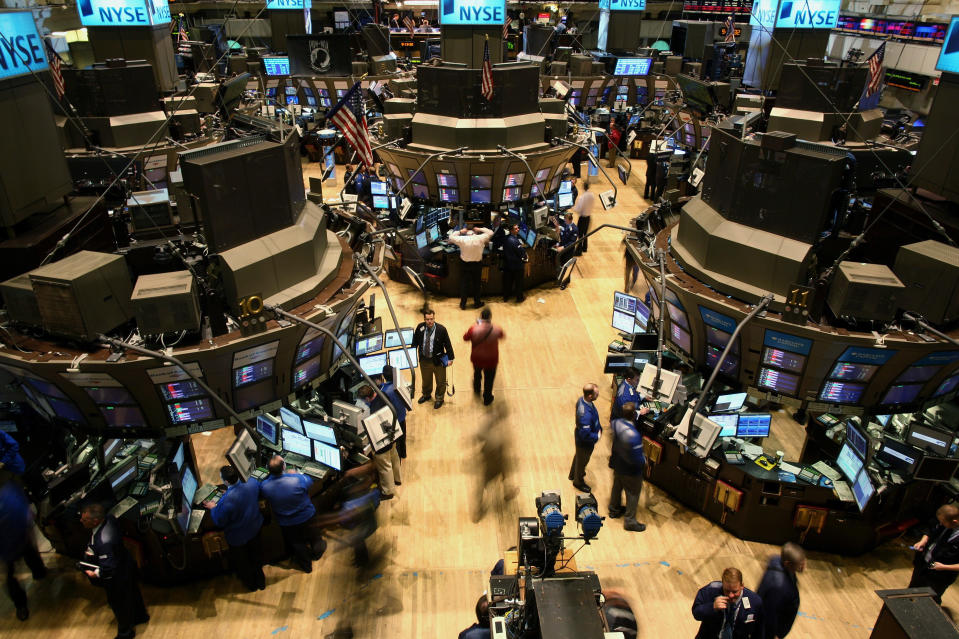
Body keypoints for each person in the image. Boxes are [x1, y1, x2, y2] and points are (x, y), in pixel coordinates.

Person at [80, 503, 148, 639]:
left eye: (84, 519)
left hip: (117, 576)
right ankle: (140, 616)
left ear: (95, 521)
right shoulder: (110, 519)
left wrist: (95, 573)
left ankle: (126, 633)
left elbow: (109, 569)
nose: (81, 521)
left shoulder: (103, 542)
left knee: (119, 604)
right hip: (125, 563)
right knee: (132, 592)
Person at [203, 465, 266, 592]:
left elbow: (219, 521)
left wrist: (213, 508)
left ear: (226, 481)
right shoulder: (252, 483)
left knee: (243, 563)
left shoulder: (225, 502)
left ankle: (251, 585)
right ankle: (261, 582)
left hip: (238, 538)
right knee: (256, 558)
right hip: (255, 528)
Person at [259, 455, 327, 573]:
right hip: (307, 517)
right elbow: (310, 482)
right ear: (284, 466)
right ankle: (317, 553)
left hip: (287, 523)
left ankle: (306, 566)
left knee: (297, 544)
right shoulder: (297, 479)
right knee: (315, 537)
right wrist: (294, 474)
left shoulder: (265, 487)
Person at [1, 477, 46, 621]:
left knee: (31, 555)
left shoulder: (9, 493)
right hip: (5, 548)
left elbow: (26, 514)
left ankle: (40, 573)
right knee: (10, 578)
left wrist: (29, 533)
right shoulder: (9, 492)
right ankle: (20, 605)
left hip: (20, 537)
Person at [609, 402, 650, 532]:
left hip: (618, 463)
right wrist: (645, 462)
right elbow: (637, 458)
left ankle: (614, 510)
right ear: (633, 415)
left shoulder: (615, 423)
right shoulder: (634, 436)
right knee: (633, 493)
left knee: (617, 486)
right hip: (631, 470)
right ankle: (630, 521)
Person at [692, 567, 764, 639]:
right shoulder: (709, 592)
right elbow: (696, 613)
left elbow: (759, 631)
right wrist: (712, 607)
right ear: (722, 584)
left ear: (742, 586)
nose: (730, 595)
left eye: (735, 591)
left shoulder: (754, 601)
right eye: (727, 590)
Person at [908, 503, 959, 604]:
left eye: (943, 523)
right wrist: (923, 540)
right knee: (912, 589)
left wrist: (944, 567)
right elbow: (930, 529)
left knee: (930, 599)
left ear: (955, 522)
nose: (941, 524)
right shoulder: (944, 520)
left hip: (940, 575)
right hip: (923, 564)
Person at [757, 542, 806, 639]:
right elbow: (770, 614)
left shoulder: (777, 560)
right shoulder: (778, 587)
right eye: (799, 564)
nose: (804, 566)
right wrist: (775, 635)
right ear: (787, 563)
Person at [365, 378, 401, 500]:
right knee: (394, 456)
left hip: (382, 440)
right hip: (392, 431)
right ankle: (397, 479)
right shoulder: (383, 394)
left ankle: (388, 491)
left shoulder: (373, 410)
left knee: (385, 466)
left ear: (366, 399)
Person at [411, 309, 454, 409]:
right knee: (426, 380)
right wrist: (411, 354)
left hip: (438, 361)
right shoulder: (420, 327)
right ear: (424, 319)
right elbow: (415, 342)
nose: (430, 321)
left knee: (441, 381)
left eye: (431, 319)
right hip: (424, 360)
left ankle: (439, 398)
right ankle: (426, 395)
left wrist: (450, 358)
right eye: (427, 319)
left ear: (434, 318)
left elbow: (448, 344)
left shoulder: (441, 330)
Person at [463, 307, 505, 406]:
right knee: (489, 379)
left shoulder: (474, 328)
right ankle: (487, 398)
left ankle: (477, 389)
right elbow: (502, 336)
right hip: (491, 359)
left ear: (481, 317)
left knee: (477, 374)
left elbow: (465, 338)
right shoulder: (496, 329)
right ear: (490, 317)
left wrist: (477, 325)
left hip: (477, 358)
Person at [448, 224, 494, 310]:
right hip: (477, 265)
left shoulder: (462, 239)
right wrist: (480, 228)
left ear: (466, 232)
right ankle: (477, 303)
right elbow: (491, 232)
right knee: (477, 284)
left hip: (465, 265)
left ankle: (463, 304)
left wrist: (460, 231)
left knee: (464, 285)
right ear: (475, 231)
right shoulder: (481, 238)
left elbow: (451, 236)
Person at [568, 383, 601, 493]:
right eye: (596, 393)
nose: (598, 395)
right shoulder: (585, 414)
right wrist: (597, 436)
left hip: (580, 437)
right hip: (585, 442)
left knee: (579, 456)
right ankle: (578, 481)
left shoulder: (582, 400)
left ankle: (573, 474)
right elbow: (585, 435)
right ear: (590, 396)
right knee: (582, 461)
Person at [378, 365, 409, 460]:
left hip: (394, 420)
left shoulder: (383, 391)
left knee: (397, 441)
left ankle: (399, 457)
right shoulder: (399, 385)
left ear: (383, 376)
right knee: (403, 437)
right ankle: (404, 454)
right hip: (402, 416)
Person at [501, 224, 527, 303]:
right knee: (518, 283)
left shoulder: (506, 238)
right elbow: (521, 253)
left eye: (518, 228)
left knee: (508, 283)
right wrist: (525, 256)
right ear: (511, 230)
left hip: (507, 264)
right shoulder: (515, 241)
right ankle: (519, 298)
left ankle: (506, 297)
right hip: (516, 266)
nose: (518, 229)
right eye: (516, 229)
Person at [570, 180, 596, 255]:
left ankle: (579, 251)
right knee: (585, 233)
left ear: (583, 187)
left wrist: (573, 208)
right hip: (588, 217)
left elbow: (579, 209)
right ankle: (585, 248)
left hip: (583, 218)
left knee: (580, 234)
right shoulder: (592, 195)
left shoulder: (583, 197)